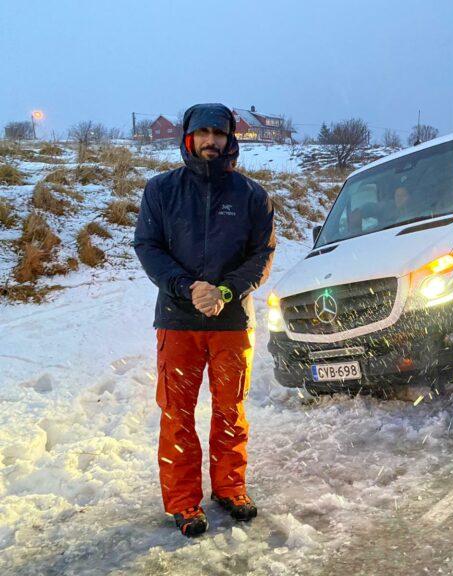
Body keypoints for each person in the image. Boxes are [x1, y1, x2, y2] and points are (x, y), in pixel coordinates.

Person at [134, 103, 276, 537]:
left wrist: (227, 291)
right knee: (176, 413)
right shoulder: (161, 191)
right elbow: (148, 246)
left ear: (230, 139)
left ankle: (230, 487)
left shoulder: (252, 196)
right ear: (189, 138)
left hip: (232, 322)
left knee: (230, 410)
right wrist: (187, 287)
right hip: (178, 321)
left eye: (218, 133)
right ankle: (182, 501)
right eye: (203, 133)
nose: (210, 140)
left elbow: (262, 254)